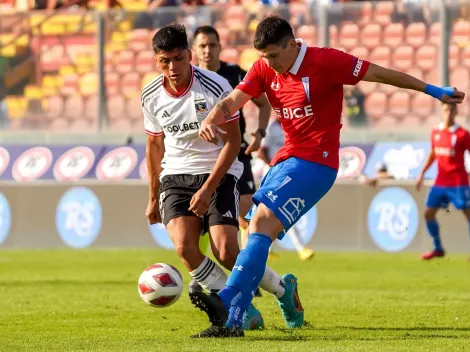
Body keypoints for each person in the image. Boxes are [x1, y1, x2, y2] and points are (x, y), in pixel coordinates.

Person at [190, 16, 465, 338]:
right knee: (256, 231)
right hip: (286, 161)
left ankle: (227, 301)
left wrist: (433, 90)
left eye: (275, 55)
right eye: (264, 57)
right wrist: (211, 117)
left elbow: (380, 73)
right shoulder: (264, 68)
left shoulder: (326, 61)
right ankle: (261, 305)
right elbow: (234, 100)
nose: (270, 64)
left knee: (260, 222)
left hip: (317, 163)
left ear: (293, 45)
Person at [143, 23, 291, 338]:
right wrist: (153, 196)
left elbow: (233, 143)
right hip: (176, 174)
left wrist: (208, 188)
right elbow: (155, 146)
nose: (172, 68)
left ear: (189, 54)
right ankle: (240, 308)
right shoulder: (150, 95)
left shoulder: (216, 86)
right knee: (184, 246)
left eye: (178, 59)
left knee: (225, 250)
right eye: (164, 62)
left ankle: (282, 289)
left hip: (218, 171)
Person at [190, 25, 272, 294]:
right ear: (194, 49)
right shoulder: (187, 79)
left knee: (247, 216)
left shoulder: (234, 73)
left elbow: (263, 103)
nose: (207, 50)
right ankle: (201, 274)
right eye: (202, 45)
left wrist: (259, 132)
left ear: (219, 48)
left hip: (235, 155)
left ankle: (248, 270)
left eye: (212, 45)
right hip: (200, 160)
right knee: (196, 219)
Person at [416, 103, 470, 260]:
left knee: (468, 214)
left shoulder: (462, 134)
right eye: (446, 109)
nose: (449, 112)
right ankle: (438, 248)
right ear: (442, 111)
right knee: (428, 214)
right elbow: (433, 153)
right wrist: (422, 172)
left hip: (458, 181)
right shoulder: (435, 132)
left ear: (456, 111)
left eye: (452, 109)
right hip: (440, 181)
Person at [258, 116, 315, 261]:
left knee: (277, 211)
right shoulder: (271, 127)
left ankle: (268, 249)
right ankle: (300, 249)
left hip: (288, 172)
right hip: (275, 173)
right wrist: (273, 167)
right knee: (281, 209)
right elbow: (261, 152)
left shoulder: (293, 126)